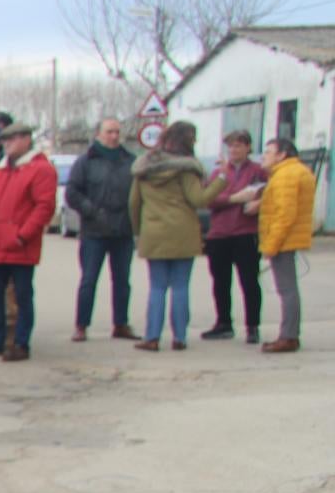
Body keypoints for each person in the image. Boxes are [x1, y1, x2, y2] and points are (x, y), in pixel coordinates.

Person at [128, 121, 225, 353]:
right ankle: (179, 338)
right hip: (183, 233)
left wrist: (138, 231)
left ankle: (152, 337)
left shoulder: (144, 168)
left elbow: (133, 203)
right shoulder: (187, 168)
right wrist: (222, 179)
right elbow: (199, 199)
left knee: (157, 287)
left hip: (153, 233)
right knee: (181, 286)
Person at [0, 122, 56, 362]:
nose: (6, 144)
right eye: (4, 140)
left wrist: (23, 234)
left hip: (19, 244)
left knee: (22, 295)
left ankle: (20, 343)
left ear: (26, 139)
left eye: (12, 139)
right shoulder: (1, 168)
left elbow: (44, 207)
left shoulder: (40, 169)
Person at [65, 117, 139, 341]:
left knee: (122, 281)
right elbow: (72, 193)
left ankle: (121, 324)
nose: (114, 136)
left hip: (122, 231)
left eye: (117, 132)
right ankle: (81, 325)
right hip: (94, 232)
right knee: (89, 280)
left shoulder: (130, 161)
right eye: (109, 132)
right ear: (99, 133)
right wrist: (91, 211)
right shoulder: (85, 161)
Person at [201, 129, 266, 343]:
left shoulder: (258, 171)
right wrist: (233, 198)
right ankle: (223, 323)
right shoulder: (219, 172)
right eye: (230, 146)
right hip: (219, 233)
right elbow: (208, 200)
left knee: (249, 281)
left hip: (245, 233)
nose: (233, 150)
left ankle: (252, 326)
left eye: (238, 145)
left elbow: (268, 193)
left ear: (248, 147)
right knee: (220, 281)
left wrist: (258, 202)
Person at [256, 135, 316, 354]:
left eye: (268, 152)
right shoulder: (294, 171)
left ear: (282, 154)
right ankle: (290, 334)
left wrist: (270, 245)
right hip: (289, 238)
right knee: (289, 289)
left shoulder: (286, 176)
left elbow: (285, 215)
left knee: (287, 290)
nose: (264, 156)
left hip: (284, 240)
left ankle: (288, 336)